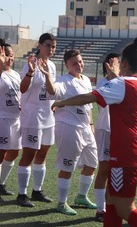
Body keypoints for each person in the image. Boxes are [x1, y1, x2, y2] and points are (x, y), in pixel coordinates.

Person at [52, 36, 137, 227]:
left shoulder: (124, 83)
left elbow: (89, 97)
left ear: (124, 62)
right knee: (111, 201)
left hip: (127, 152)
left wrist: (62, 102)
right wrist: (115, 77)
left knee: (125, 207)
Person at [39, 49, 98, 215]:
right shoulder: (64, 81)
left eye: (80, 61)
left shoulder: (86, 79)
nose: (79, 65)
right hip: (69, 127)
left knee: (92, 163)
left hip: (86, 128)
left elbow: (89, 105)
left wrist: (91, 123)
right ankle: (62, 202)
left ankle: (81, 196)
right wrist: (47, 77)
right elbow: (52, 91)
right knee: (67, 167)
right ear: (67, 66)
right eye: (74, 63)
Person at [16, 33, 57, 207]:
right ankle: (21, 194)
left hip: (48, 117)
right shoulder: (30, 63)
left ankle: (37, 191)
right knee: (28, 155)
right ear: (39, 45)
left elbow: (52, 91)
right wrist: (31, 72)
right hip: (33, 117)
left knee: (42, 155)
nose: (51, 49)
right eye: (48, 45)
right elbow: (23, 89)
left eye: (53, 46)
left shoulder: (53, 66)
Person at [93, 53, 120, 222]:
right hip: (105, 131)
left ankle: (112, 206)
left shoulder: (122, 81)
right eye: (118, 61)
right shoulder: (103, 83)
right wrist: (113, 76)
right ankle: (100, 209)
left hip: (120, 132)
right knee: (104, 170)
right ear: (109, 64)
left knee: (116, 172)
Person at [0, 39, 21, 196]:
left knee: (14, 152)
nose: (9, 58)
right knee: (1, 153)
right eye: (6, 55)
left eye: (11, 55)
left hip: (16, 118)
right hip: (2, 118)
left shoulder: (15, 75)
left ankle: (1, 184)